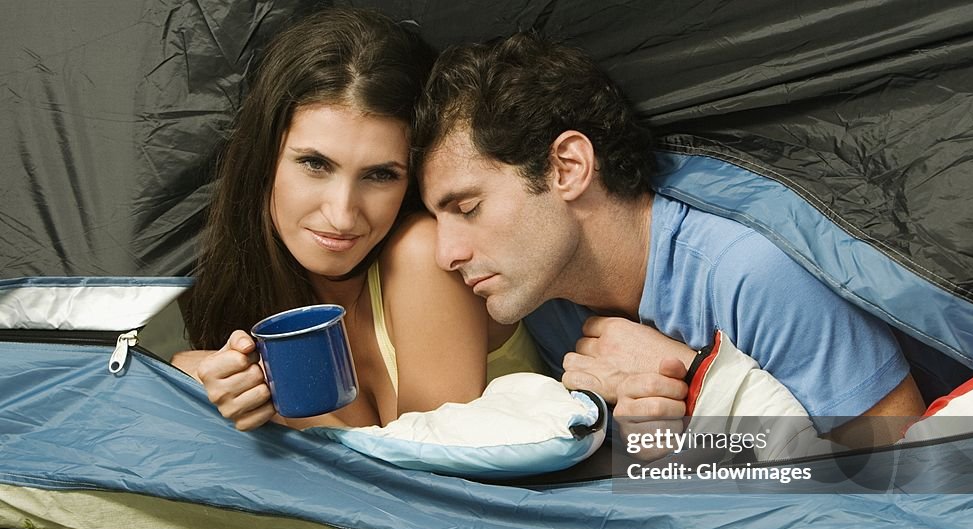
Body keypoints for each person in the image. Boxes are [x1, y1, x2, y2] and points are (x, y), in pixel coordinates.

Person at [412, 32, 925, 448]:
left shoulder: (750, 272)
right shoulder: (546, 301)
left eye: (468, 208)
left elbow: (915, 468)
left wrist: (699, 383)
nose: (446, 253)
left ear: (567, 168)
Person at [173, 9, 545, 431]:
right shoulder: (244, 276)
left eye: (380, 175)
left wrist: (215, 383)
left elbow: (427, 483)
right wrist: (201, 371)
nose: (342, 214)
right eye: (314, 164)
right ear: (265, 158)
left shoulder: (422, 256)